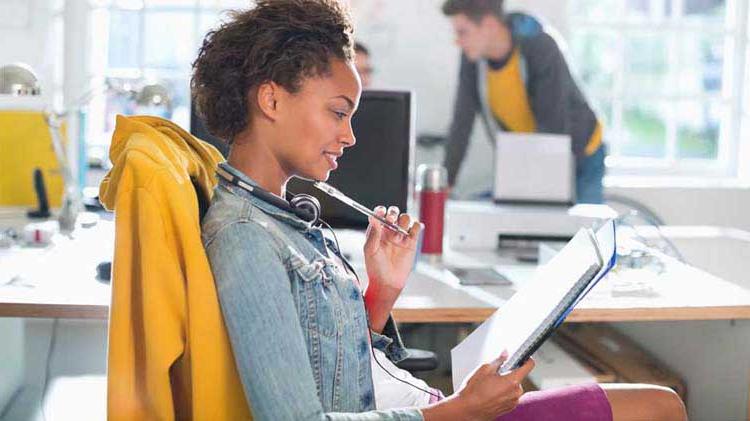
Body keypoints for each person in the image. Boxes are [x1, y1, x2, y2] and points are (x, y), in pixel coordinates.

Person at [193, 0, 687, 419]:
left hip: (430, 406)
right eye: (339, 112)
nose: (350, 135)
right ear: (271, 100)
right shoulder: (245, 235)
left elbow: (337, 366)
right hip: (442, 414)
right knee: (659, 408)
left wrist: (380, 293)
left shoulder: (281, 215)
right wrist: (457, 410)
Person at [441, 0, 606, 204]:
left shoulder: (540, 45)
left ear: (490, 24)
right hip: (535, 154)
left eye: (462, 32)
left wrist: (532, 183)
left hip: (580, 152)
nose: (457, 41)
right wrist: (444, 183)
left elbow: (553, 126)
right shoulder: (472, 59)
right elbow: (461, 123)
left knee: (575, 230)